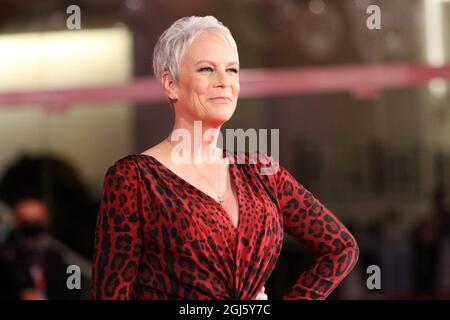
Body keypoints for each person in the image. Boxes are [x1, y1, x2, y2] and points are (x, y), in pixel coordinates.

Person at [91, 16, 359, 300]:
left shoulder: (261, 171)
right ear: (170, 84)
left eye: (232, 70)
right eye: (207, 69)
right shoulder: (134, 179)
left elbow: (341, 248)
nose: (224, 82)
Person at [0, 197, 78, 299]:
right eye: (26, 223)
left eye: (37, 223)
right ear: (16, 222)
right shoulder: (6, 258)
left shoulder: (60, 261)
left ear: (46, 221)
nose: (31, 231)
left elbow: (73, 292)